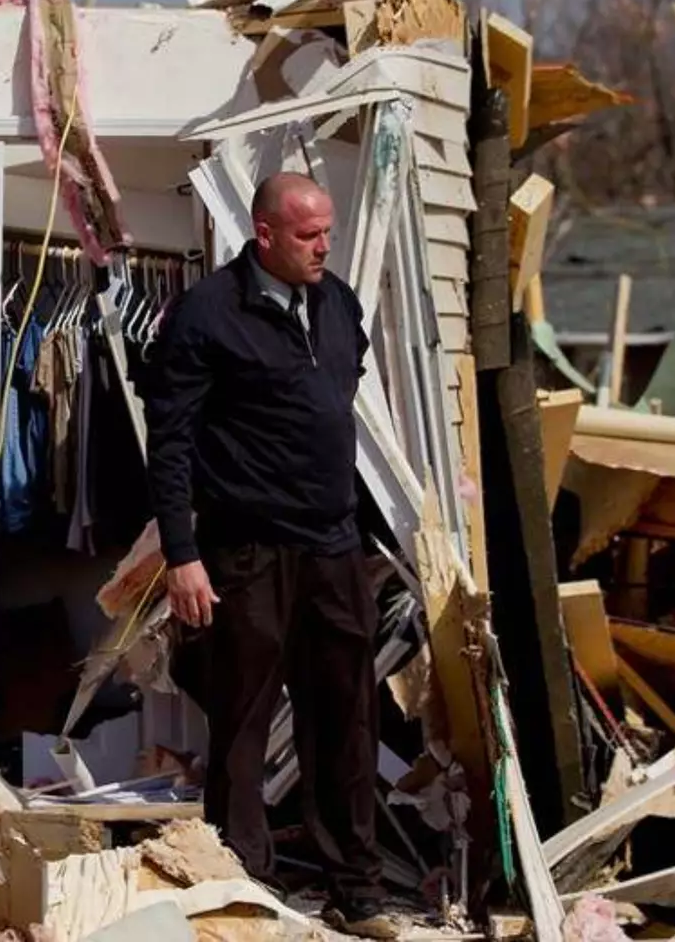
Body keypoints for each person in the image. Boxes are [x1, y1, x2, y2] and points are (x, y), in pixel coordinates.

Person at [142, 172, 398, 939]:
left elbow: (336, 405)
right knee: (244, 721)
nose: (325, 246)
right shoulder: (206, 315)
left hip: (332, 544)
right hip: (246, 549)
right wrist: (182, 555)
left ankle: (357, 890)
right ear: (265, 236)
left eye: (328, 231)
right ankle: (239, 892)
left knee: (346, 718)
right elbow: (171, 444)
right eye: (308, 234)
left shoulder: (338, 304)